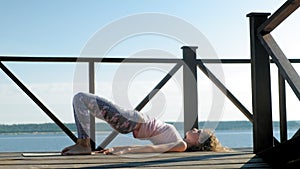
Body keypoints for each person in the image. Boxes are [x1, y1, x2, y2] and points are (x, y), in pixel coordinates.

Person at [62, 92, 227, 155]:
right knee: (82, 101)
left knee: (80, 98)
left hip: (130, 121)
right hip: (130, 122)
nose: (195, 128)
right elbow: (152, 148)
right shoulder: (178, 141)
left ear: (197, 143)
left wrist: (124, 151)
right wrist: (113, 149)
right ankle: (83, 143)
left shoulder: (181, 145)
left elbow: (152, 149)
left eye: (198, 132)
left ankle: (84, 143)